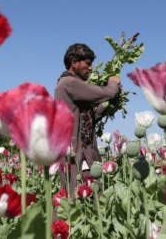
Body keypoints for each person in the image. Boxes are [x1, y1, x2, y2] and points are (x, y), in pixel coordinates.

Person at [53, 43, 120, 221]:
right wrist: (114, 83)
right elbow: (108, 92)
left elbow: (84, 120)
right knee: (71, 197)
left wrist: (103, 107)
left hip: (79, 151)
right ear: (74, 62)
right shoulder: (70, 83)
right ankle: (56, 231)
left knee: (85, 193)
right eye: (87, 64)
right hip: (75, 153)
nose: (90, 68)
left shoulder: (66, 84)